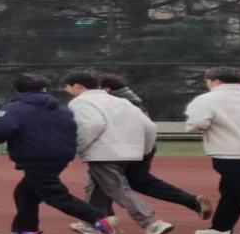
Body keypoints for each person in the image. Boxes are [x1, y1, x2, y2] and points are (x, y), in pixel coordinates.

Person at [0, 75, 122, 234]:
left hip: (35, 156)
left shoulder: (15, 108)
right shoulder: (61, 108)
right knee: (24, 192)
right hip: (61, 155)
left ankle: (99, 219)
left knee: (54, 195)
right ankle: (27, 231)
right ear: (44, 89)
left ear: (17, 90)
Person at [62, 71, 174, 234]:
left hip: (103, 153)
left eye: (67, 87)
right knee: (97, 187)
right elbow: (149, 126)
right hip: (130, 151)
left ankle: (152, 223)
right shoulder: (121, 101)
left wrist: (77, 148)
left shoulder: (80, 102)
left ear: (78, 86)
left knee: (117, 188)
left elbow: (93, 124)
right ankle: (91, 223)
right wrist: (144, 150)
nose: (67, 91)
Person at [83, 73, 211, 224]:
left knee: (105, 180)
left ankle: (99, 221)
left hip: (123, 148)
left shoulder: (117, 102)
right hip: (140, 145)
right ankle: (192, 201)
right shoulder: (129, 99)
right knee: (139, 181)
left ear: (106, 89)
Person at [186, 67, 240, 234]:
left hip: (230, 154)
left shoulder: (206, 99)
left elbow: (197, 123)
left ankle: (221, 229)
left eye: (207, 81)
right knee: (232, 191)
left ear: (216, 81)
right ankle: (221, 229)